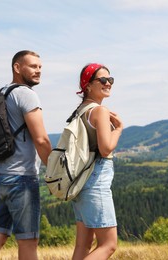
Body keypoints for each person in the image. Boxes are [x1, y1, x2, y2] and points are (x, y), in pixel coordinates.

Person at [0, 50, 52, 260]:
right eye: (32, 66)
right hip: (21, 179)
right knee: (28, 241)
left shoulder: (1, 92)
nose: (38, 71)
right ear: (17, 67)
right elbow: (41, 139)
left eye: (40, 67)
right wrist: (56, 173)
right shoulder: (26, 94)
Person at [71, 63, 123, 260]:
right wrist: (118, 129)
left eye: (110, 79)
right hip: (95, 181)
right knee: (109, 245)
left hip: (80, 181)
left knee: (83, 245)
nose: (108, 83)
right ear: (88, 85)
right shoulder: (100, 111)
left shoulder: (80, 110)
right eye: (102, 80)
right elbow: (106, 148)